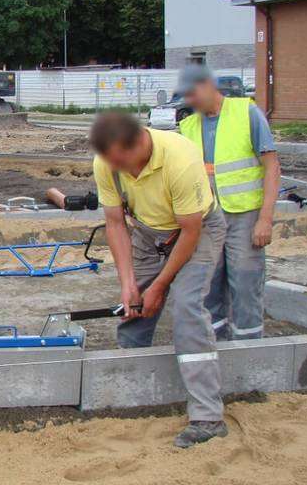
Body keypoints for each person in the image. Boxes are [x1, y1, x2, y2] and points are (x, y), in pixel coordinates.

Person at [92, 111, 227, 448]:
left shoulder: (180, 159)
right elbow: (115, 224)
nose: (120, 170)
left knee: (187, 309)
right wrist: (129, 285)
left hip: (195, 231)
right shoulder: (107, 161)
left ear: (140, 141)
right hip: (148, 232)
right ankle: (132, 396)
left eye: (123, 161)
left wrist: (160, 286)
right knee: (133, 311)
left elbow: (191, 232)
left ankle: (208, 417)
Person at [178, 64, 281, 341]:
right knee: (208, 287)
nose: (190, 102)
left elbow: (271, 166)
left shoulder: (247, 113)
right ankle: (215, 345)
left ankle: (248, 349)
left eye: (192, 95)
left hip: (244, 217)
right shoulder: (188, 126)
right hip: (207, 220)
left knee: (245, 285)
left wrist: (265, 219)